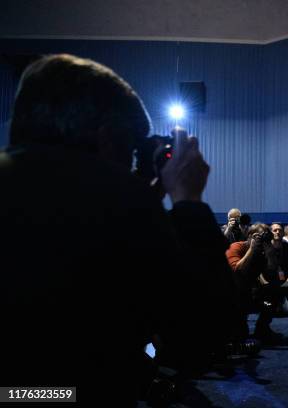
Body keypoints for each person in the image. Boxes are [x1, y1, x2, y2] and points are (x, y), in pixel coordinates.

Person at [0, 54, 237, 406]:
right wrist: (188, 201)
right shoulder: (119, 198)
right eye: (129, 149)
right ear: (108, 137)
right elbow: (202, 332)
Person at [225, 223, 287, 344]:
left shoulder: (265, 251)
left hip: (250, 291)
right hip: (231, 293)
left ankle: (262, 328)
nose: (262, 239)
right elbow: (237, 270)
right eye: (259, 236)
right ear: (249, 236)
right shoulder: (236, 247)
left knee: (275, 290)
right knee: (239, 334)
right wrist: (252, 249)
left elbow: (272, 271)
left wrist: (269, 250)